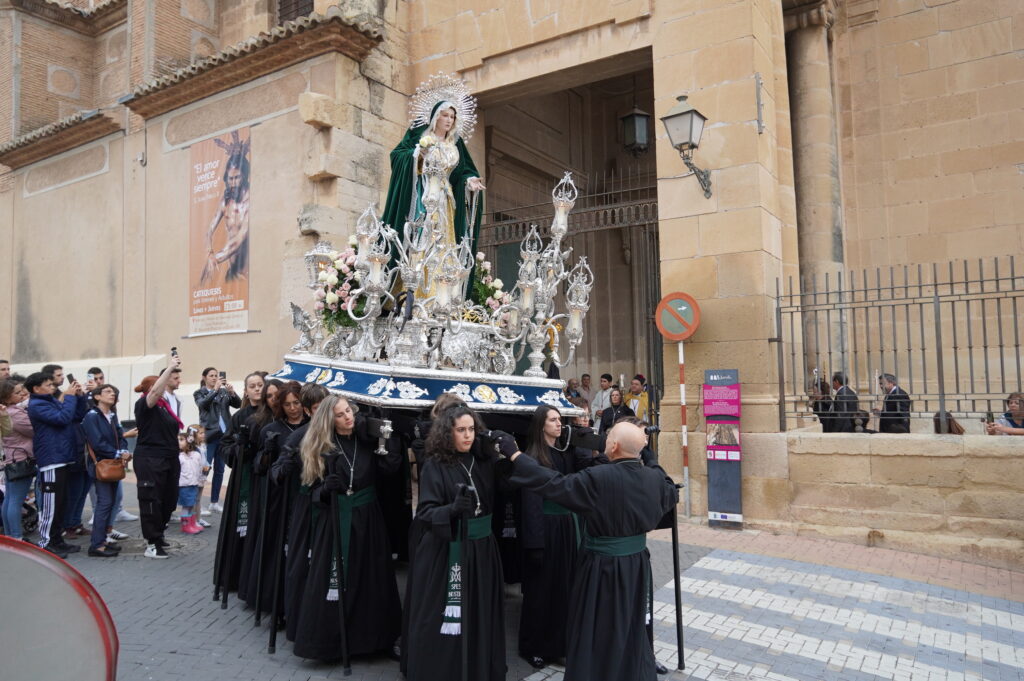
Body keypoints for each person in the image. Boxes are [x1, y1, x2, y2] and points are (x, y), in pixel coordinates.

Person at [504, 422, 679, 681]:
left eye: (608, 437)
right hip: (637, 565)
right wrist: (651, 460)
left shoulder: (598, 478)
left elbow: (553, 483)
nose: (604, 439)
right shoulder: (654, 478)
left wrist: (516, 455)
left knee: (596, 626)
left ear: (614, 446)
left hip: (602, 568)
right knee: (631, 625)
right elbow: (668, 488)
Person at [292, 395, 403, 660]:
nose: (348, 417)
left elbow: (389, 469)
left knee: (372, 579)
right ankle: (330, 644)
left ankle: (377, 641)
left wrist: (386, 439)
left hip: (368, 519)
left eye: (349, 411)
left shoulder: (366, 440)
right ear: (329, 420)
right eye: (340, 414)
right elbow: (310, 493)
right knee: (335, 579)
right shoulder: (320, 447)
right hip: (335, 520)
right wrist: (324, 490)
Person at [403, 405, 506, 681]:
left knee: (479, 614)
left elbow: (507, 488)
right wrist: (451, 510)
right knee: (445, 617)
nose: (468, 435)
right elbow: (425, 513)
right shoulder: (435, 465)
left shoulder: (482, 461)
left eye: (471, 429)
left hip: (482, 550)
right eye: (461, 430)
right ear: (448, 433)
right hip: (448, 552)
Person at [516, 405, 606, 669]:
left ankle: (560, 644)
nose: (558, 424)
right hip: (545, 528)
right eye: (552, 420)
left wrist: (587, 444)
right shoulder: (532, 457)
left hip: (567, 526)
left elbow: (584, 474)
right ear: (540, 425)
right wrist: (535, 543)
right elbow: (531, 503)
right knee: (540, 590)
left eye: (559, 419)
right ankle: (533, 646)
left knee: (564, 589)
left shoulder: (565, 451)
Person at [381, 75, 484, 292]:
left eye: (452, 116)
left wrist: (469, 181)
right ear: (435, 116)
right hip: (424, 196)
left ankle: (443, 292)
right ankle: (416, 290)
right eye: (445, 115)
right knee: (423, 238)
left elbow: (462, 173)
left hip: (446, 200)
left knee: (444, 241)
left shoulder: (455, 145)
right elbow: (398, 155)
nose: (449, 120)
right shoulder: (421, 139)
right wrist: (418, 154)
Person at [268, 382, 329, 642]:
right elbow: (276, 472)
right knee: (303, 566)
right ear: (308, 411)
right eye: (317, 409)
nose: (324, 415)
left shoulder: (341, 431)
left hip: (333, 509)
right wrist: (285, 465)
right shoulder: (299, 436)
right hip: (306, 509)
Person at [240, 381, 307, 612]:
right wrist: (267, 453)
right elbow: (259, 467)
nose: (293, 408)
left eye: (296, 403)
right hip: (279, 496)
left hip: (304, 493)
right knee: (276, 547)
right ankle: (273, 599)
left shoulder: (312, 427)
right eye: (287, 404)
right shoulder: (271, 429)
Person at [26, 370, 88, 557]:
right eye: (48, 385)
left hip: (63, 456)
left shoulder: (50, 401)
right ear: (36, 388)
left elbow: (77, 415)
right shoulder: (36, 404)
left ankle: (58, 541)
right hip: (51, 459)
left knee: (61, 503)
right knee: (51, 505)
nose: (52, 387)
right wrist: (69, 397)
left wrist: (79, 397)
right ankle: (46, 542)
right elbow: (62, 418)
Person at [214, 371, 265, 593]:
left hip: (263, 478)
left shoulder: (272, 414)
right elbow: (225, 445)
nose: (257, 389)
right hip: (244, 478)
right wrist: (238, 447)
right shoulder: (239, 416)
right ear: (245, 391)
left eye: (260, 385)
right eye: (252, 386)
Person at [133, 357, 185, 559]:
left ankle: (159, 533)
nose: (164, 389)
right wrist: (170, 367)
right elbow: (154, 393)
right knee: (151, 500)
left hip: (169, 458)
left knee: (169, 499)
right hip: (150, 459)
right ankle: (152, 543)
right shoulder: (144, 404)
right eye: (160, 385)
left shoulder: (165, 408)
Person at [237, 378, 283, 597]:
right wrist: (244, 447)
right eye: (269, 396)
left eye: (277, 395)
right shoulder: (257, 421)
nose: (273, 400)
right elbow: (254, 461)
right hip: (264, 486)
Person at [81, 384, 130, 557]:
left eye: (113, 392)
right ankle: (96, 545)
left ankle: (102, 540)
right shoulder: (91, 416)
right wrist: (118, 453)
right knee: (104, 503)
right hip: (102, 464)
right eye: (107, 392)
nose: (112, 394)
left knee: (111, 502)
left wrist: (124, 450)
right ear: (97, 397)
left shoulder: (112, 415)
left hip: (113, 464)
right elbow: (97, 442)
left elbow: (121, 436)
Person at [201, 131, 251, 286]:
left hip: (247, 271)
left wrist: (217, 258)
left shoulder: (249, 201)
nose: (233, 183)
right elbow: (209, 230)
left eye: (237, 178)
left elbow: (240, 237)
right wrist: (209, 253)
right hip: (231, 271)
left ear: (244, 176)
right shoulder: (225, 201)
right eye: (230, 179)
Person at [194, 367, 241, 513]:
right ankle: (197, 504)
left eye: (216, 375)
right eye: (211, 375)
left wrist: (232, 393)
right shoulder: (199, 393)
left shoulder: (223, 392)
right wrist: (214, 390)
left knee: (220, 470)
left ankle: (214, 502)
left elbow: (238, 404)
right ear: (204, 378)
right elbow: (203, 405)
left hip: (224, 436)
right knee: (205, 468)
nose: (215, 378)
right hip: (208, 436)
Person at [1, 378, 34, 541]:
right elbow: (33, 430)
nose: (22, 394)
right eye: (17, 392)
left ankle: (10, 535)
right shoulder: (14, 413)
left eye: (22, 390)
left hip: (13, 458)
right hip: (21, 460)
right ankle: (15, 536)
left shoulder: (9, 411)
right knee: (15, 500)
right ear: (7, 397)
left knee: (10, 499)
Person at [177, 427, 207, 535]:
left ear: (189, 441)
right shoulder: (179, 456)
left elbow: (199, 468)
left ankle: (192, 523)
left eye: (181, 440)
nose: (178, 442)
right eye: (178, 440)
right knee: (186, 505)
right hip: (184, 485)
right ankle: (186, 526)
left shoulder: (196, 455)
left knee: (191, 504)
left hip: (194, 484)